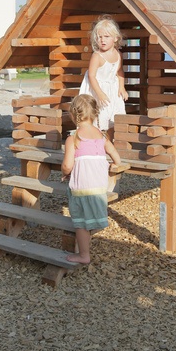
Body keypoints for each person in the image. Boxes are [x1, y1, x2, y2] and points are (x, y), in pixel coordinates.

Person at [61, 94, 121, 264]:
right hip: (99, 187)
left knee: (80, 223)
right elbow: (114, 153)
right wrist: (115, 164)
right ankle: (92, 230)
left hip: (81, 188)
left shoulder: (73, 138)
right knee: (92, 217)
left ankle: (83, 255)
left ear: (74, 114)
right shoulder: (102, 137)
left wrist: (64, 173)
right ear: (95, 114)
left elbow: (67, 165)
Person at [79, 14, 128, 140]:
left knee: (113, 117)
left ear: (116, 38)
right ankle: (95, 142)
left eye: (106, 36)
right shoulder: (97, 56)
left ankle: (109, 143)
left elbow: (120, 71)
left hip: (112, 89)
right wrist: (99, 93)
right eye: (99, 37)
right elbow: (91, 75)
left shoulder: (118, 55)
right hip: (97, 89)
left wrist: (122, 88)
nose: (102, 40)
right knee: (99, 117)